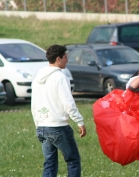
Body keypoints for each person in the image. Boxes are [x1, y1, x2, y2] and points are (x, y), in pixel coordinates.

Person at [31, 44, 86, 177]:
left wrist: (38, 123)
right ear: (58, 59)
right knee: (73, 160)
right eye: (65, 57)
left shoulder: (37, 78)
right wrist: (79, 121)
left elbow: (34, 104)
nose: (67, 60)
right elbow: (68, 103)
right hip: (57, 127)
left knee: (49, 162)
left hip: (42, 126)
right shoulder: (60, 78)